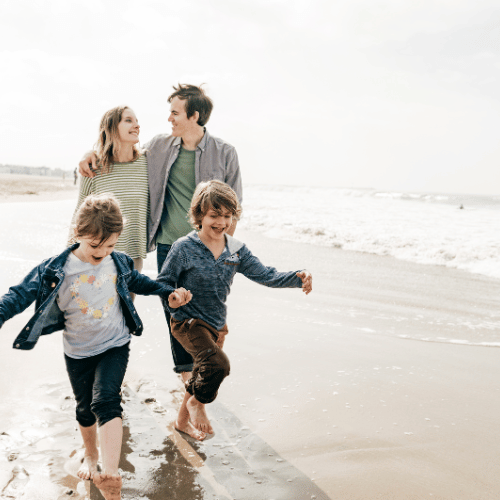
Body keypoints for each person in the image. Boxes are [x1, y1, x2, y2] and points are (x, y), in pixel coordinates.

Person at [0, 194, 192, 500]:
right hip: (78, 350)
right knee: (84, 409)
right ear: (78, 234)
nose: (103, 252)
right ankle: (90, 454)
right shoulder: (55, 269)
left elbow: (142, 282)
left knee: (107, 401)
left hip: (115, 344)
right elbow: (18, 295)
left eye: (110, 246)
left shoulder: (119, 262)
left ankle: (110, 475)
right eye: (95, 246)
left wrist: (170, 293)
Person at [78, 85, 243, 436]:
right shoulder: (159, 147)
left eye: (175, 113)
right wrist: (88, 157)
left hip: (209, 246)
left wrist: (225, 249)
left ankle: (197, 386)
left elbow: (236, 204)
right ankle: (189, 383)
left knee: (210, 315)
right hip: (170, 244)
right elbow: (118, 153)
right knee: (177, 313)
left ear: (194, 116)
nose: (168, 118)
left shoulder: (225, 152)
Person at [157, 180, 312, 439]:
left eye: (227, 216)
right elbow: (163, 284)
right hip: (187, 322)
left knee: (202, 372)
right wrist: (173, 300)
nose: (221, 222)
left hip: (217, 324)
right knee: (218, 365)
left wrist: (297, 277)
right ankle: (197, 404)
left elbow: (266, 275)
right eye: (214, 215)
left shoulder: (236, 250)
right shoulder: (184, 247)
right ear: (199, 216)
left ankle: (182, 422)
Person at [73, 106, 148, 280]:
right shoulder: (94, 167)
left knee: (125, 308)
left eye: (137, 122)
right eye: (129, 120)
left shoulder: (147, 163)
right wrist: (68, 257)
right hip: (97, 254)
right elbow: (80, 213)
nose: (137, 126)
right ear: (111, 127)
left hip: (132, 258)